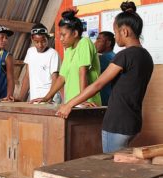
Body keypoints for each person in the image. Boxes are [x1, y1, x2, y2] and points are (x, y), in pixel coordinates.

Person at [56, 1, 154, 153]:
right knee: (122, 161)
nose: (115, 37)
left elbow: (98, 84)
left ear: (125, 32)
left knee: (111, 167)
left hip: (117, 122)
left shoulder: (124, 55)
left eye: (115, 32)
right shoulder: (146, 56)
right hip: (133, 121)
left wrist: (69, 104)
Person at [31, 10, 101, 106]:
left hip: (86, 102)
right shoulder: (69, 49)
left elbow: (82, 72)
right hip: (72, 103)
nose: (61, 39)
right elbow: (62, 78)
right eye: (60, 35)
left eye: (63, 35)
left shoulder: (85, 42)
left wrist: (83, 99)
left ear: (75, 33)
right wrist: (47, 97)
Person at [17, 23, 61, 102]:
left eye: (43, 41)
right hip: (34, 98)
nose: (40, 45)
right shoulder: (30, 52)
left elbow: (55, 78)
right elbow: (27, 76)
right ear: (32, 39)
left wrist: (49, 98)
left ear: (47, 39)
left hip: (50, 98)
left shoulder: (53, 54)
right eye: (36, 42)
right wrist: (20, 99)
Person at [95, 31, 116, 105]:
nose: (95, 43)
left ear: (108, 43)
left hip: (105, 99)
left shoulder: (104, 58)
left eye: (99, 40)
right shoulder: (114, 56)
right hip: (112, 98)